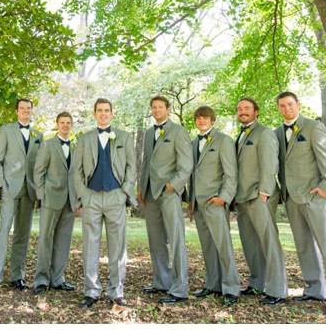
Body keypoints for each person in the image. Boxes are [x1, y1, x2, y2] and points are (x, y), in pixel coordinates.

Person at [275, 91, 326, 315]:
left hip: (315, 198)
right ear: (278, 108)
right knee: (304, 246)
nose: (286, 109)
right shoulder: (276, 133)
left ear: (298, 105)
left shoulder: (313, 127)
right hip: (292, 199)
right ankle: (315, 289)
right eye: (282, 106)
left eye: (290, 104)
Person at [73, 98, 137, 308]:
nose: (103, 114)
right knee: (90, 245)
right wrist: (83, 194)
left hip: (115, 196)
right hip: (91, 196)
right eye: (99, 111)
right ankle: (91, 291)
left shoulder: (125, 137)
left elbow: (131, 167)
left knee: (117, 246)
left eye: (106, 110)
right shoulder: (84, 139)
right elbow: (77, 171)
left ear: (112, 113)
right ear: (94, 114)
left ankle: (116, 291)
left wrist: (124, 192)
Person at [0, 98, 43, 298]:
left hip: (29, 190)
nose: (25, 111)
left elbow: (39, 165)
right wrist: (1, 185)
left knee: (22, 235)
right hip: (10, 188)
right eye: (22, 108)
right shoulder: (6, 130)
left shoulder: (38, 135)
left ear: (31, 111)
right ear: (16, 111)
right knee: (3, 233)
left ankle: (17, 276)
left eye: (28, 108)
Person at [138, 95, 192, 304]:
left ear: (168, 109)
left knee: (176, 240)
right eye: (154, 107)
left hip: (169, 193)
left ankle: (180, 288)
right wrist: (141, 188)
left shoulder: (178, 131)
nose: (157, 110)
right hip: (150, 194)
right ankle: (162, 282)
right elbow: (146, 163)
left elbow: (186, 164)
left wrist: (173, 185)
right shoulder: (150, 132)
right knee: (156, 240)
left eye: (160, 107)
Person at [233, 97, 287, 305]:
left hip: (260, 195)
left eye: (247, 108)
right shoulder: (240, 135)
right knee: (250, 242)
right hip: (242, 196)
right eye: (239, 108)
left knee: (268, 241)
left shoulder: (264, 133)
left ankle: (277, 290)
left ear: (256, 112)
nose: (243, 111)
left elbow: (269, 163)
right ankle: (257, 283)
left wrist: (264, 191)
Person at [188, 106, 241, 306]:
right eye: (198, 118)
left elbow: (231, 173)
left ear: (212, 120)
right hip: (199, 203)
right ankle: (213, 284)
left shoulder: (224, 141)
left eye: (205, 118)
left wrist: (224, 197)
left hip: (215, 202)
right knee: (208, 246)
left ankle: (231, 288)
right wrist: (191, 202)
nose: (201, 121)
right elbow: (193, 176)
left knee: (223, 245)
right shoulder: (193, 143)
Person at [33, 111, 79, 295]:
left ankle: (58, 279)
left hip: (69, 201)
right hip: (50, 198)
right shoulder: (48, 145)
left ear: (71, 125)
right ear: (57, 124)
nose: (66, 125)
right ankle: (41, 280)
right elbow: (38, 171)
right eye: (62, 122)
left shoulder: (76, 147)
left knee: (63, 240)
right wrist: (42, 194)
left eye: (68, 122)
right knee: (45, 238)